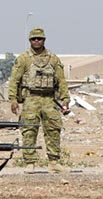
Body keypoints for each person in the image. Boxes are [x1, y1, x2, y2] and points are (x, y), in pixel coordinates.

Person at [8, 28, 70, 173]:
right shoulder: (24, 59)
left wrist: (65, 98)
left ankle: (54, 162)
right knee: (29, 130)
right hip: (31, 99)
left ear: (44, 40)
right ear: (30, 41)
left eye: (39, 38)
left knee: (53, 130)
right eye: (34, 39)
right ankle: (30, 162)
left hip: (49, 100)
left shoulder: (53, 59)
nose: (37, 41)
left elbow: (61, 80)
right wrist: (13, 99)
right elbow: (14, 80)